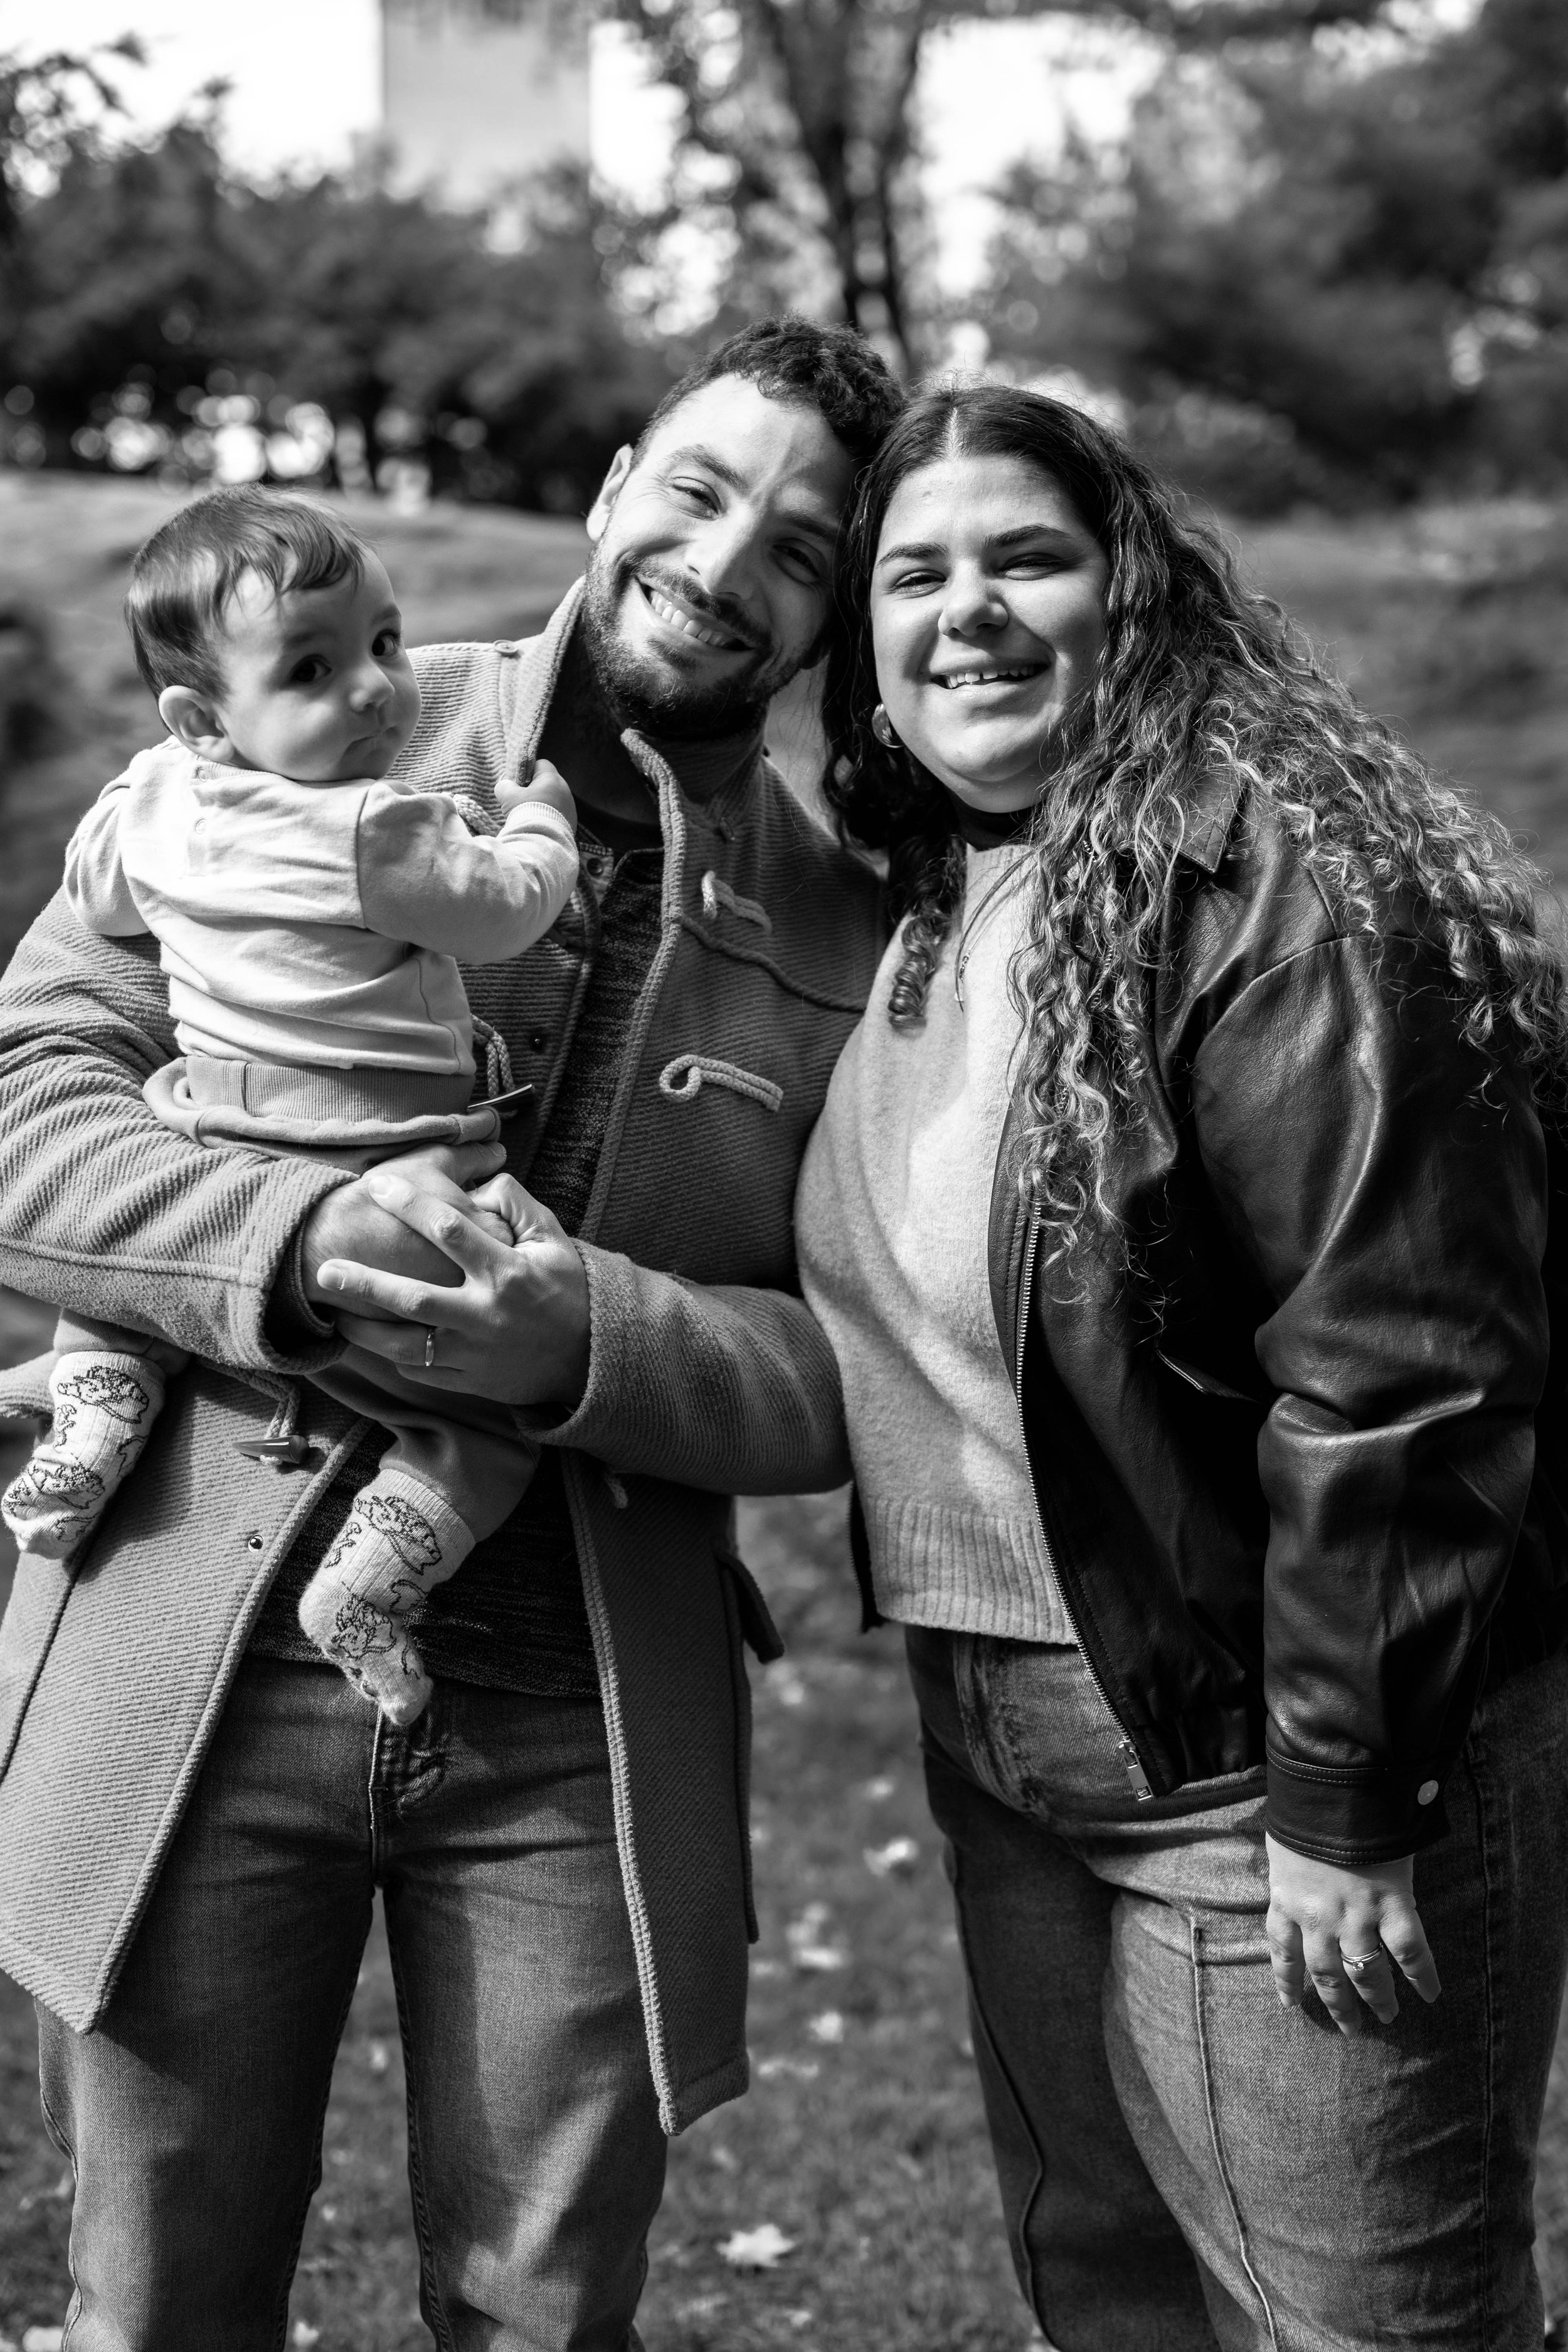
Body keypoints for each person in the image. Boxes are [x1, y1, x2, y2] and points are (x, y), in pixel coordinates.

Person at [0, 316, 901, 2350]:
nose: (724, 562)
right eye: (699, 487)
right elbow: (28, 1108)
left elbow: (845, 1368)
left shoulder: (851, 932)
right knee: (157, 2304)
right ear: (614, 486)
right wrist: (300, 1235)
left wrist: (584, 1339)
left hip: (577, 1709)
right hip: (195, 1628)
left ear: (829, 611)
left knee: (541, 2317)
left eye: (801, 547)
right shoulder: (316, 709)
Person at [795, 382, 1568, 2351]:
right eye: (912, 573)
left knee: (1364, 2325)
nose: (967, 609)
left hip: (1260, 1744)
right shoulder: (937, 881)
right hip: (1005, 1729)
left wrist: (1339, 1788)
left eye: (1025, 558)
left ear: (1130, 589)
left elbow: (1400, 1372)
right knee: (1113, 2295)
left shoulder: (1274, 880)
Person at [1, 486, 581, 1725]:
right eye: (313, 669)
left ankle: (94, 1405)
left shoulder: (151, 802)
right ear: (206, 717)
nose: (375, 689)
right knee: (485, 1424)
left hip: (215, 1121)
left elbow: (97, 898)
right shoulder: (378, 828)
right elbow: (511, 909)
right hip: (382, 1148)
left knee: (148, 1254)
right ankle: (368, 1586)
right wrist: (542, 822)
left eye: (384, 641)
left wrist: (161, 783)